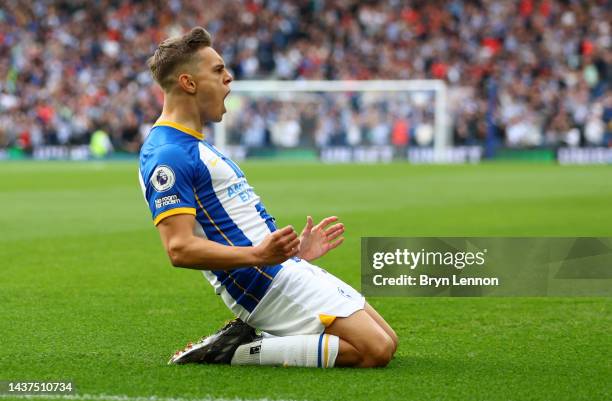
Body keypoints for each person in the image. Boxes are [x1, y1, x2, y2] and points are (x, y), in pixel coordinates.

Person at [139, 27, 397, 368]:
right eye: (218, 71)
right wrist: (260, 253)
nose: (229, 77)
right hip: (259, 282)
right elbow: (179, 248)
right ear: (188, 83)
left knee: (388, 340)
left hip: (280, 267)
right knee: (374, 350)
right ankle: (234, 351)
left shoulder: (196, 145)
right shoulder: (168, 154)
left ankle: (250, 339)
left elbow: (235, 221)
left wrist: (295, 253)